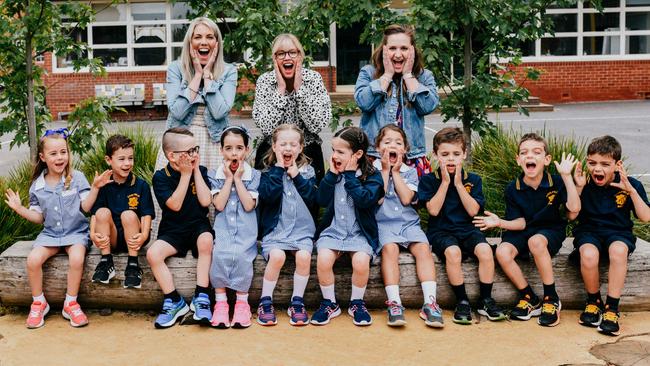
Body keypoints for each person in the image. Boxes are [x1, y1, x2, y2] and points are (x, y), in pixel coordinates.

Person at [474, 133, 581, 327]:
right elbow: (520, 223)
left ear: (546, 159)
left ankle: (551, 298)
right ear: (518, 160)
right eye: (524, 152)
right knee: (502, 251)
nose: (529, 156)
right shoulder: (512, 188)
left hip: (549, 231)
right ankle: (529, 296)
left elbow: (573, 210)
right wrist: (500, 222)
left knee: (536, 241)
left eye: (536, 152)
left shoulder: (556, 182)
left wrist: (567, 177)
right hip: (522, 230)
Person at [5, 128, 107, 328]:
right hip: (50, 235)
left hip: (76, 233)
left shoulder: (76, 177)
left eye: (63, 152)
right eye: (53, 154)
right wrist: (20, 209)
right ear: (43, 157)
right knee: (33, 259)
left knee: (77, 258)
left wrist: (95, 188)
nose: (60, 157)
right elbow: (39, 217)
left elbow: (86, 207)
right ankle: (39, 302)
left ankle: (71, 302)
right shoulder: (37, 186)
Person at [152, 16, 238, 238]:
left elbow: (220, 111)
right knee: (175, 196)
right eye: (198, 36)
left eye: (210, 37)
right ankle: (170, 242)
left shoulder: (228, 71)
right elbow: (178, 111)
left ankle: (210, 247)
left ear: (217, 43)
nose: (204, 42)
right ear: (189, 43)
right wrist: (197, 75)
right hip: (180, 141)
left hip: (213, 141)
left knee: (210, 199)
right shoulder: (175, 69)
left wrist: (208, 78)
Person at [418, 128, 505, 325]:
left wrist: (457, 184)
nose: (451, 159)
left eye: (456, 154)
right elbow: (433, 210)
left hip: (467, 229)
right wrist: (445, 183)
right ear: (436, 155)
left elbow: (473, 211)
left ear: (464, 154)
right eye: (445, 154)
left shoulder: (473, 180)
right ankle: (462, 300)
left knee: (485, 250)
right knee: (453, 253)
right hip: (441, 231)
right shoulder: (429, 180)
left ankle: (485, 299)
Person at [570, 136, 650, 336]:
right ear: (587, 162)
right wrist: (577, 188)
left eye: (605, 164)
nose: (598, 169)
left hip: (618, 232)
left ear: (617, 165)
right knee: (588, 254)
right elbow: (571, 215)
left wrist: (631, 191)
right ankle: (593, 301)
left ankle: (612, 307)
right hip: (589, 231)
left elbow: (646, 217)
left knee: (618, 251)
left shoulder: (630, 184)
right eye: (592, 163)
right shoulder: (583, 183)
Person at [311, 127, 384, 326]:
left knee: (361, 262)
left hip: (359, 234)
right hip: (334, 231)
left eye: (340, 152)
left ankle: (357, 303)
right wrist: (331, 176)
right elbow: (322, 200)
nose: (334, 156)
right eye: (333, 150)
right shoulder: (334, 173)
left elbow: (364, 201)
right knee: (324, 259)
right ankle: (329, 303)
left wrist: (350, 176)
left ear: (358, 154)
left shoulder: (373, 176)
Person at [374, 125, 444, 328]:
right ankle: (394, 302)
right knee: (390, 249)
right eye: (387, 142)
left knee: (423, 249)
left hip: (408, 223)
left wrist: (396, 173)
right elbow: (377, 200)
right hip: (384, 224)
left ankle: (430, 302)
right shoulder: (373, 171)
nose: (392, 145)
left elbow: (406, 199)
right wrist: (386, 171)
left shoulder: (410, 172)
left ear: (404, 149)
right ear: (378, 148)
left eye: (398, 142)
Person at [147, 128, 214, 329]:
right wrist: (185, 176)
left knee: (206, 241)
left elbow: (205, 201)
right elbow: (174, 205)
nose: (194, 154)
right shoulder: (160, 177)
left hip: (197, 225)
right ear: (172, 156)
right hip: (173, 229)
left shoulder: (200, 171)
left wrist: (193, 171)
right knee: (153, 254)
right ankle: (174, 301)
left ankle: (202, 296)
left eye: (196, 149)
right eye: (189, 151)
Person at [354, 24, 439, 177]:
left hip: (411, 157)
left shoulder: (424, 76)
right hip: (375, 156)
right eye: (392, 48)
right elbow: (364, 103)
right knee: (375, 200)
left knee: (410, 200)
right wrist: (386, 75)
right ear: (384, 50)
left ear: (412, 50)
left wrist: (408, 76)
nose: (398, 54)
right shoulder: (368, 73)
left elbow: (427, 107)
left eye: (404, 48)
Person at [256, 124, 318, 326]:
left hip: (301, 232)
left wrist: (296, 176)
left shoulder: (307, 173)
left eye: (293, 144)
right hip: (276, 231)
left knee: (304, 256)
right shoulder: (266, 173)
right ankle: (265, 301)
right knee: (277, 256)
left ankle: (297, 302)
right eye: (283, 144)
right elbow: (269, 197)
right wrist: (278, 170)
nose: (288, 148)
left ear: (301, 147)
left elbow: (312, 199)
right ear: (274, 147)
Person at [253, 33, 331, 182]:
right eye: (281, 54)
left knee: (308, 202)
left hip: (307, 152)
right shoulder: (265, 81)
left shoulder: (313, 79)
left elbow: (316, 125)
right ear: (274, 59)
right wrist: (281, 90)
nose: (287, 58)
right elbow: (266, 127)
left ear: (300, 56)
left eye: (292, 52)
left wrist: (299, 89)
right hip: (271, 151)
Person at [208, 126, 261, 329]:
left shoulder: (253, 175)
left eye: (239, 148)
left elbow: (249, 205)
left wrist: (237, 179)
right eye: (228, 148)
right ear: (221, 150)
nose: (233, 153)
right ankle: (221, 303)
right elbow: (219, 205)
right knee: (220, 254)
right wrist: (228, 178)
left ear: (247, 150)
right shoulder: (215, 174)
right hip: (223, 230)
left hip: (246, 230)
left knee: (242, 256)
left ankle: (242, 302)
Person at [90, 135, 155, 289]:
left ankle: (133, 266)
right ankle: (106, 261)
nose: (127, 163)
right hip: (110, 238)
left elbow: (146, 214)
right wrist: (93, 234)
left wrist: (144, 235)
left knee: (128, 214)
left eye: (130, 158)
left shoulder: (140, 185)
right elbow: (94, 214)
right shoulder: (103, 185)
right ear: (108, 160)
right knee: (102, 212)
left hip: (135, 237)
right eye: (121, 159)